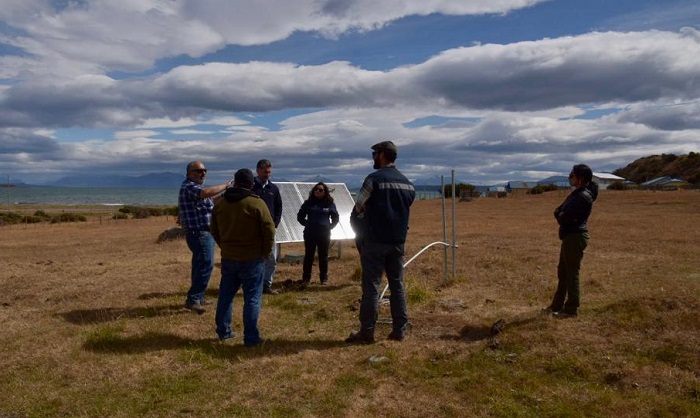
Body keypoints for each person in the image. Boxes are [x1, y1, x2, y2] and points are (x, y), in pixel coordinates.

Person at [346, 141, 415, 344]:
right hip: (398, 242)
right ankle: (399, 330)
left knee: (371, 287)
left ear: (382, 154)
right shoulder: (408, 183)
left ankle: (367, 333)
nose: (373, 157)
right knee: (397, 285)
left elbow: (358, 208)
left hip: (374, 242)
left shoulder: (373, 179)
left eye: (375, 153)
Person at [210, 168, 275, 346]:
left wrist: (224, 246)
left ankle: (223, 331)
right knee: (252, 298)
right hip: (253, 259)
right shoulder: (256, 204)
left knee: (226, 295)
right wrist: (265, 252)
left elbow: (214, 230)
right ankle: (251, 338)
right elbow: (269, 231)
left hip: (229, 258)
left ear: (235, 182)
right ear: (252, 184)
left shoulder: (220, 204)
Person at [545, 164, 599, 318]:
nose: (569, 177)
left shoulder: (582, 197)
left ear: (580, 179)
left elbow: (563, 217)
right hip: (570, 236)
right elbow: (558, 211)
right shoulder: (578, 193)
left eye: (572, 175)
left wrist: (561, 214)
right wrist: (560, 213)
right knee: (563, 272)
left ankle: (571, 309)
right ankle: (557, 305)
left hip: (575, 237)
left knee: (571, 273)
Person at [178, 161, 231, 314]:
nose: (203, 174)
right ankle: (193, 299)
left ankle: (198, 296)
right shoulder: (189, 187)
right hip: (199, 233)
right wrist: (226, 185)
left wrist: (224, 195)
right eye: (198, 171)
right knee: (206, 265)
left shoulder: (196, 189)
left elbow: (209, 200)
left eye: (204, 171)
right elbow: (205, 194)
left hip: (203, 233)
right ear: (189, 173)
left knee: (199, 265)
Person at [296, 182, 340, 286]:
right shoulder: (308, 203)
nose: (318, 191)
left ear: (325, 192)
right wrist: (307, 224)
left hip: (324, 235)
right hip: (310, 234)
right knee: (309, 256)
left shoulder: (329, 204)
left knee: (323, 256)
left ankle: (323, 279)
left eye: (320, 190)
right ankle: (306, 278)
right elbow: (300, 216)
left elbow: (335, 217)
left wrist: (330, 226)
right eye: (316, 189)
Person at [252, 159, 283, 295]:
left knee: (271, 258)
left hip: (269, 229)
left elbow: (279, 206)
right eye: (265, 172)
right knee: (253, 258)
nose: (267, 174)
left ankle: (266, 285)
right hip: (252, 229)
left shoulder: (273, 188)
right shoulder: (251, 186)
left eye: (269, 172)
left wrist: (275, 223)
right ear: (258, 170)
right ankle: (252, 284)